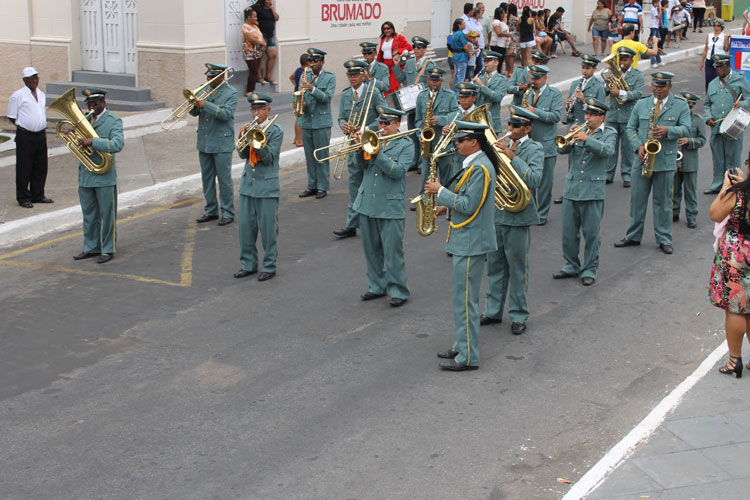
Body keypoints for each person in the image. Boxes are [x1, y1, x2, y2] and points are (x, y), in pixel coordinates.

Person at [426, 121, 498, 371]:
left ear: (474, 142)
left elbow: (469, 205)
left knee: (466, 301)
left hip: (471, 241)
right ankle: (462, 343)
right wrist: (446, 205)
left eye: (460, 140)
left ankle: (468, 356)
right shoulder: (474, 165)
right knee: (461, 298)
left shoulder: (480, 168)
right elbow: (468, 199)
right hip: (466, 239)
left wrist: (441, 191)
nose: (456, 144)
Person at [480, 106, 542, 335]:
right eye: (509, 125)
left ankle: (518, 314)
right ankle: (493, 311)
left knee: (517, 268)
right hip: (498, 214)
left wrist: (513, 157)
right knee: (495, 266)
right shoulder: (500, 145)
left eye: (516, 126)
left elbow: (535, 179)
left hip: (519, 216)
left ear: (527, 128)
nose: (510, 130)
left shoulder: (535, 149)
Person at [615, 71, 690, 255]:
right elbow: (630, 129)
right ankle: (633, 235)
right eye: (655, 85)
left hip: (665, 161)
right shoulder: (642, 103)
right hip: (642, 160)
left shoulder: (680, 105)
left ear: (670, 87)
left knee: (663, 202)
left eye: (662, 86)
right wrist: (638, 146)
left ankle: (664, 238)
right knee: (637, 200)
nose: (658, 89)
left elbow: (687, 128)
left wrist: (668, 131)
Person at [352, 106, 413, 308]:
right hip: (367, 202)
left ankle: (398, 290)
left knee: (392, 251)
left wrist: (378, 154)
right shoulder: (373, 139)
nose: (383, 127)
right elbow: (360, 167)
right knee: (371, 250)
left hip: (390, 205)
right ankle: (377, 286)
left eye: (387, 123)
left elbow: (398, 171)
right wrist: (359, 150)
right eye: (381, 123)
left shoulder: (406, 145)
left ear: (397, 124)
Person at [554, 99, 616, 286]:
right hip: (572, 189)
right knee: (568, 233)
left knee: (591, 233)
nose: (587, 118)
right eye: (586, 114)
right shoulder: (579, 130)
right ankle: (571, 264)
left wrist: (587, 139)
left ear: (601, 117)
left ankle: (589, 268)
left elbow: (608, 151)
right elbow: (562, 149)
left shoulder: (609, 133)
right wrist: (570, 136)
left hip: (592, 191)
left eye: (591, 115)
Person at [332, 60, 386, 239]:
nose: (352, 78)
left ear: (363, 74)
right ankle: (351, 224)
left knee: (372, 183)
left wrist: (367, 129)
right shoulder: (346, 94)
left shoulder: (373, 92)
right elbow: (340, 118)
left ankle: (375, 221)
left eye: (355, 74)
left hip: (369, 145)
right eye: (349, 75)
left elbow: (385, 116)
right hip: (353, 145)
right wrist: (344, 126)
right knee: (355, 185)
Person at [708, 153, 750, 378]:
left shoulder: (739, 192)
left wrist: (726, 187)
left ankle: (735, 360)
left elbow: (715, 213)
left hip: (737, 255)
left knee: (736, 308)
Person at [234, 92, 283, 282]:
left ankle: (269, 265)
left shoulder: (276, 130)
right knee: (246, 228)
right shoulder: (250, 128)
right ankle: (248, 264)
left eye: (259, 110)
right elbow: (243, 155)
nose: (256, 113)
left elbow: (269, 158)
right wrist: (243, 136)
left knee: (269, 229)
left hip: (267, 185)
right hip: (248, 184)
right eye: (253, 109)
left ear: (267, 110)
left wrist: (257, 139)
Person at [72, 88, 123, 264]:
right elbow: (79, 145)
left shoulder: (114, 121)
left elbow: (117, 144)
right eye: (89, 104)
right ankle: (91, 247)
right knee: (89, 214)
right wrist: (73, 138)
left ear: (104, 103)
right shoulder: (84, 120)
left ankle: (108, 248)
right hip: (86, 174)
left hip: (104, 176)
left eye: (95, 104)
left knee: (107, 214)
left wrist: (93, 141)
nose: (92, 107)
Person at [190, 63, 237, 226]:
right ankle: (211, 210)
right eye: (207, 76)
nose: (208, 79)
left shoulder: (231, 93)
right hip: (205, 141)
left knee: (224, 180)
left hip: (222, 142)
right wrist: (193, 103)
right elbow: (195, 112)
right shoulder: (204, 91)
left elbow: (226, 114)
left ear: (220, 77)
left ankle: (228, 212)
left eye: (212, 77)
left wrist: (205, 104)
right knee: (207, 178)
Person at [703, 54, 750, 195]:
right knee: (718, 157)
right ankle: (717, 184)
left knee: (732, 157)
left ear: (728, 66)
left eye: (721, 67)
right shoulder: (713, 84)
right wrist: (708, 117)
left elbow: (749, 98)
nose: (718, 70)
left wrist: (742, 103)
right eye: (716, 67)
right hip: (717, 127)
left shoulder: (740, 80)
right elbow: (707, 104)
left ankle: (733, 185)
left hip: (733, 126)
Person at [6, 67, 52, 209]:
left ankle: (38, 194)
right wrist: (25, 126)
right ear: (25, 80)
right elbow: (12, 116)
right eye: (31, 78)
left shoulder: (41, 94)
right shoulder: (18, 96)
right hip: (25, 135)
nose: (34, 80)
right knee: (24, 167)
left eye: (36, 77)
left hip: (40, 134)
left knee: (40, 165)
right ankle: (23, 197)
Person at [523, 64, 562, 225]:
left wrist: (535, 112)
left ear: (545, 78)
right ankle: (531, 211)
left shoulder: (554, 94)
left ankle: (542, 213)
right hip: (529, 144)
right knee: (528, 181)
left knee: (545, 183)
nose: (534, 81)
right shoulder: (527, 92)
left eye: (537, 78)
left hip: (546, 145)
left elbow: (556, 116)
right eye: (532, 78)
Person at [604, 46, 645, 186]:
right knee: (611, 146)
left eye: (625, 59)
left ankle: (627, 175)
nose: (622, 62)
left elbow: (638, 94)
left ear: (632, 60)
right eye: (620, 59)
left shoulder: (638, 75)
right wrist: (607, 84)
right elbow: (604, 93)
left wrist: (621, 93)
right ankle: (608, 174)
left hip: (628, 115)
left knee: (628, 148)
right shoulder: (612, 73)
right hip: (612, 115)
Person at [299, 48, 336, 200]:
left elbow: (327, 98)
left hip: (321, 122)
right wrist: (300, 103)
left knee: (321, 156)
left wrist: (312, 89)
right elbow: (302, 95)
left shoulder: (329, 77)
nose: (312, 64)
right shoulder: (305, 75)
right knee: (309, 156)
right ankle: (312, 185)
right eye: (311, 61)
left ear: (322, 62)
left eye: (315, 61)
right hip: (308, 121)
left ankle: (322, 186)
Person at [393, 36, 436, 166]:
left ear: (425, 49)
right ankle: (414, 159)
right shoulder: (409, 63)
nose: (416, 49)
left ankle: (422, 161)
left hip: (423, 103)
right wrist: (396, 65)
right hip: (411, 105)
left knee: (422, 132)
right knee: (412, 132)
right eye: (414, 47)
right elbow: (401, 79)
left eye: (419, 47)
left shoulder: (430, 65)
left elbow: (433, 85)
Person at [415, 67, 459, 189]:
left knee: (446, 178)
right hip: (428, 144)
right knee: (426, 177)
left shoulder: (450, 96)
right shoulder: (421, 96)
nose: (434, 83)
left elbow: (457, 114)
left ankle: (444, 204)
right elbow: (418, 120)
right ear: (428, 80)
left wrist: (440, 120)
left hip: (444, 143)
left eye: (437, 80)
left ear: (441, 81)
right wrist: (420, 136)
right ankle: (424, 202)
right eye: (432, 79)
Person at [672, 92, 706, 228]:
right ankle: (674, 212)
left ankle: (691, 215)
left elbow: (702, 140)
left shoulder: (698, 120)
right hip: (674, 159)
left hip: (690, 161)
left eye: (690, 106)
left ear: (693, 107)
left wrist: (689, 141)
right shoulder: (674, 119)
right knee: (674, 188)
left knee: (690, 190)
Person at [473, 50, 508, 134]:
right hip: (478, 120)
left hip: (492, 122)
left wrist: (482, 86)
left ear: (496, 63)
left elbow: (497, 98)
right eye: (484, 61)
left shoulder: (501, 80)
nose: (485, 64)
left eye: (488, 61)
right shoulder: (480, 77)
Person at [376, 21, 412, 95]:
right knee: (385, 86)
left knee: (393, 87)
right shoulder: (383, 39)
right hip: (385, 65)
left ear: (392, 29)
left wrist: (398, 51)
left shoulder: (398, 37)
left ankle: (393, 103)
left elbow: (409, 47)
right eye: (384, 29)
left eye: (388, 28)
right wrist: (377, 64)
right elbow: (380, 53)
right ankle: (387, 103)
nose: (386, 30)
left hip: (394, 65)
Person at [699, 19, 730, 92]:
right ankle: (708, 96)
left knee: (717, 79)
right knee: (708, 79)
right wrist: (702, 61)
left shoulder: (724, 36)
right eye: (714, 25)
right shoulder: (710, 35)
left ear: (721, 27)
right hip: (709, 60)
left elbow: (726, 49)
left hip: (719, 61)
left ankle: (717, 95)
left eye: (718, 26)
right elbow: (706, 49)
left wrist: (726, 39)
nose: (715, 27)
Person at [252, 0, 279, 85]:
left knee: (273, 55)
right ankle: (258, 77)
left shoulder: (271, 9)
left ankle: (268, 76)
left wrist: (272, 9)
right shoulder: (257, 8)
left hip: (270, 36)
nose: (270, 1)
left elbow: (277, 18)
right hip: (261, 35)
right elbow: (248, 10)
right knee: (260, 56)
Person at [241, 8, 265, 95]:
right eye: (254, 16)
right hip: (249, 52)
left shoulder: (255, 26)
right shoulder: (245, 27)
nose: (256, 18)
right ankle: (249, 90)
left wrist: (263, 44)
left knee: (256, 70)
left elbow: (260, 37)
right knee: (253, 70)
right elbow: (251, 39)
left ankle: (253, 89)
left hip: (257, 52)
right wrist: (262, 43)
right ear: (248, 17)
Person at [289, 53, 310, 147]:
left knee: (298, 118)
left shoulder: (298, 70)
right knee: (300, 119)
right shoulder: (305, 72)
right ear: (307, 62)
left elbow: (291, 77)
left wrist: (296, 86)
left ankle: (295, 138)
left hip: (296, 95)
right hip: (300, 96)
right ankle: (299, 140)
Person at [450, 18, 471, 92]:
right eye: (463, 24)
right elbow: (465, 46)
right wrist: (469, 53)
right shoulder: (461, 34)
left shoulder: (454, 34)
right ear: (459, 25)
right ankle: (459, 93)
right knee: (461, 76)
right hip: (461, 56)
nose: (465, 25)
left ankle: (455, 92)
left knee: (456, 75)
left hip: (455, 55)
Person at [489, 6, 511, 71]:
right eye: (503, 13)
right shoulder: (496, 22)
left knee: (500, 62)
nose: (504, 15)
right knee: (497, 63)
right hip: (497, 45)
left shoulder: (502, 22)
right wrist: (508, 34)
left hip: (503, 45)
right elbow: (498, 33)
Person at [648, 0, 664, 67]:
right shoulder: (653, 9)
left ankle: (658, 60)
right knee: (652, 44)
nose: (658, 4)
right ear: (654, 3)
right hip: (653, 26)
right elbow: (659, 16)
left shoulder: (655, 9)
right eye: (658, 3)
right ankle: (653, 62)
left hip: (656, 26)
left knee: (656, 43)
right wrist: (660, 9)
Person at [505, 3, 520, 75]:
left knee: (507, 54)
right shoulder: (516, 18)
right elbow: (519, 28)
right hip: (514, 36)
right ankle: (511, 71)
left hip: (507, 36)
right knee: (512, 54)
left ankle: (507, 70)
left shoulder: (506, 18)